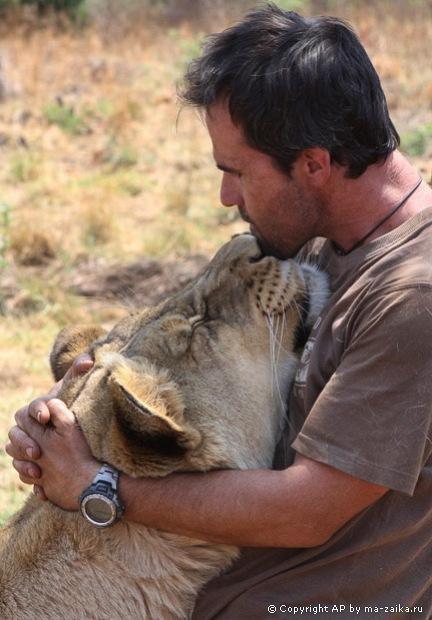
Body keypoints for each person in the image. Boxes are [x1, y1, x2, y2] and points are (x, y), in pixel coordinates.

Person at [6, 4, 432, 618]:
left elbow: (307, 508)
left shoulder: (412, 297)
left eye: (237, 172)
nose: (225, 196)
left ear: (313, 164)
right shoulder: (312, 239)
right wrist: (69, 416)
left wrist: (100, 486)